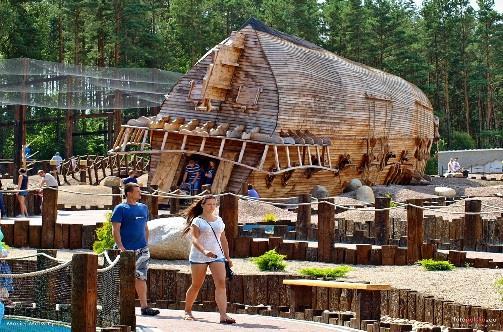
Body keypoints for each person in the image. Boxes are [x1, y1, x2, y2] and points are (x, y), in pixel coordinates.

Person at [182, 195, 235, 324]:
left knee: (221, 283)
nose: (212, 207)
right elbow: (194, 239)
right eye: (209, 204)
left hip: (217, 256)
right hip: (199, 256)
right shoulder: (197, 221)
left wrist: (227, 258)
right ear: (203, 205)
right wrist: (204, 251)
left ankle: (223, 315)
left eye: (214, 204)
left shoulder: (219, 220)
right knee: (196, 285)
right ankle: (187, 311)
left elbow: (223, 239)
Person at [111, 183, 160, 316]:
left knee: (141, 278)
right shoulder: (120, 208)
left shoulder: (143, 208)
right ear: (129, 193)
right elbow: (115, 230)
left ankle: (144, 307)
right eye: (137, 191)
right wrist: (120, 247)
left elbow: (145, 227)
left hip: (142, 249)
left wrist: (146, 244)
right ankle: (117, 307)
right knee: (122, 278)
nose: (140, 193)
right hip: (125, 250)